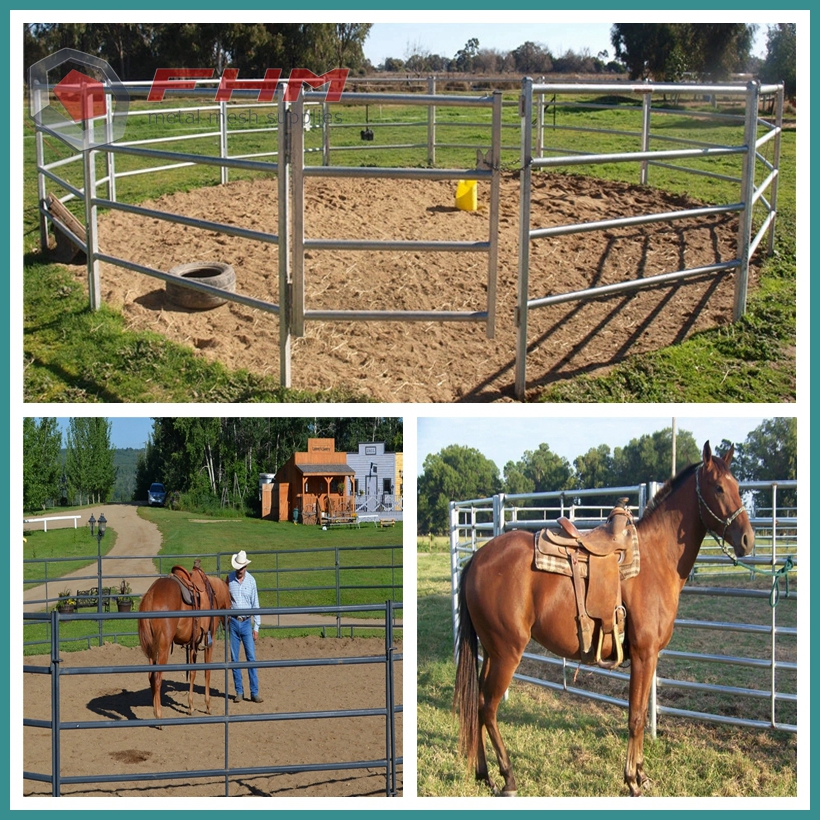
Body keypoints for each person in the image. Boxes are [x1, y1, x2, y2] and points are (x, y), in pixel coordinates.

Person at [227, 550, 263, 703]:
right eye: (238, 568)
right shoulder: (229, 579)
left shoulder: (251, 581)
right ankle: (239, 692)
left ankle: (254, 692)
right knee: (235, 659)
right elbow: (225, 601)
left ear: (245, 567)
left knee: (251, 658)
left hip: (247, 623)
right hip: (234, 622)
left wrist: (257, 627)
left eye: (241, 568)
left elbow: (256, 604)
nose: (239, 570)